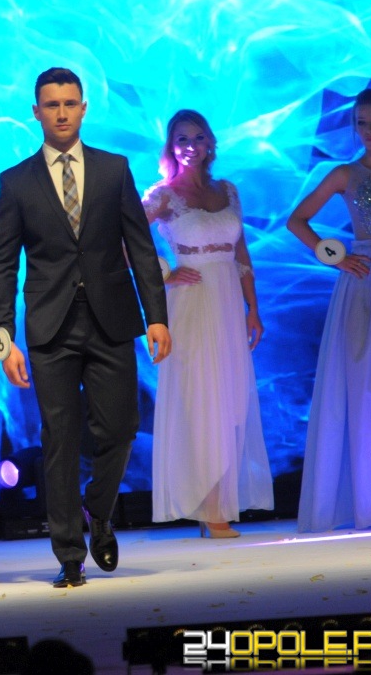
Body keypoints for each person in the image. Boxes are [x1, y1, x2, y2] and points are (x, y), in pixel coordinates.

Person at [0, 68, 171, 588]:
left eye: (70, 103)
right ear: (37, 112)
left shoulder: (114, 169)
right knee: (59, 439)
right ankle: (69, 553)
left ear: (84, 108)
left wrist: (157, 316)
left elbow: (141, 248)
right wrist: (3, 338)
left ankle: (99, 507)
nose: (62, 113)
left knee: (121, 427)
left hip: (111, 319)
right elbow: (3, 265)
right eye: (52, 104)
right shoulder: (16, 181)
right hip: (51, 327)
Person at [142, 110, 274, 538]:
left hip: (228, 302)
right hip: (191, 300)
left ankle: (216, 503)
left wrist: (253, 308)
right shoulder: (164, 195)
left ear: (210, 143)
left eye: (198, 137)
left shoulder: (227, 190)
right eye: (181, 138)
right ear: (170, 145)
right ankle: (209, 508)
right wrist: (164, 272)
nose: (190, 146)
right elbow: (124, 239)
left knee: (230, 399)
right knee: (200, 398)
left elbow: (242, 254)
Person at [288, 88, 371, 532]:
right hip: (367, 279)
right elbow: (297, 220)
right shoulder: (344, 174)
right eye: (361, 122)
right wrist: (334, 256)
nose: (369, 130)